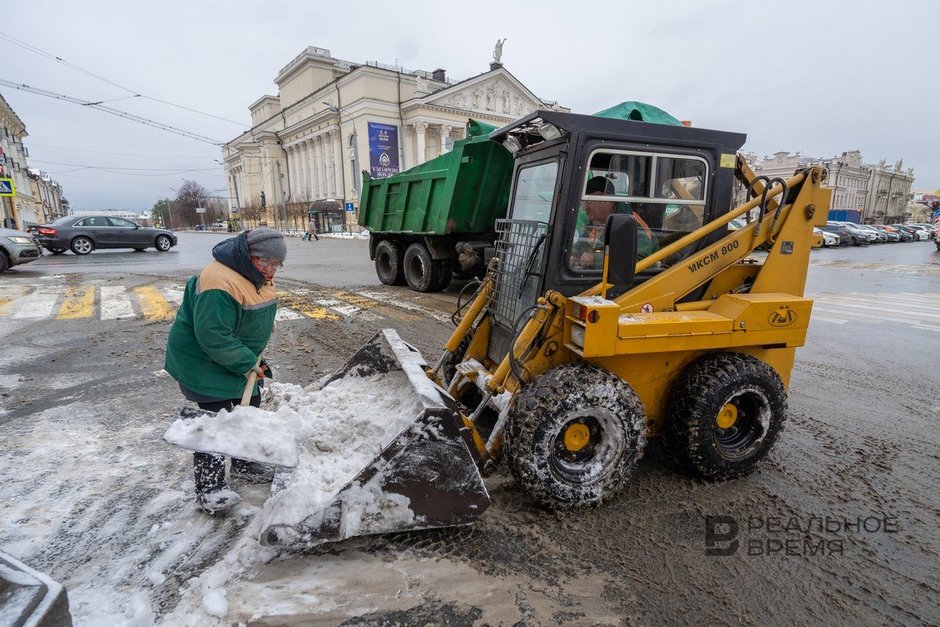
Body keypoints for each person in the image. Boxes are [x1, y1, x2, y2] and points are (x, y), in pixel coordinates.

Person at [165, 228, 286, 515]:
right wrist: (246, 363)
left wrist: (250, 356)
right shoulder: (219, 282)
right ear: (248, 256)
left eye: (276, 265)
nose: (270, 270)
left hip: (236, 355)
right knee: (215, 421)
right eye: (264, 263)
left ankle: (243, 462)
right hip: (203, 361)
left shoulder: (253, 274)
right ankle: (210, 488)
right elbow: (213, 335)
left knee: (249, 408)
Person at [570, 176, 654, 269]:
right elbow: (582, 242)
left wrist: (596, 259)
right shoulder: (595, 221)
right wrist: (573, 255)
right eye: (583, 203)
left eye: (589, 202)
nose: (585, 208)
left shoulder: (629, 223)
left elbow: (641, 258)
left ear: (605, 200)